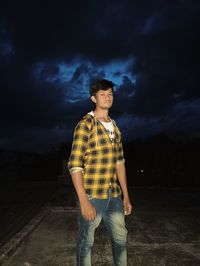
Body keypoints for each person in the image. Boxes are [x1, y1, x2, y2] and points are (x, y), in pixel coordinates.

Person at [68, 79, 132, 266]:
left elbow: (120, 163)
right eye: (102, 94)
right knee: (86, 242)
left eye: (110, 94)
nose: (107, 97)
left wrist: (126, 196)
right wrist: (83, 201)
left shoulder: (115, 127)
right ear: (93, 98)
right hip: (92, 195)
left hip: (114, 196)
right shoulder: (86, 125)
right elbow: (75, 165)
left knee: (121, 240)